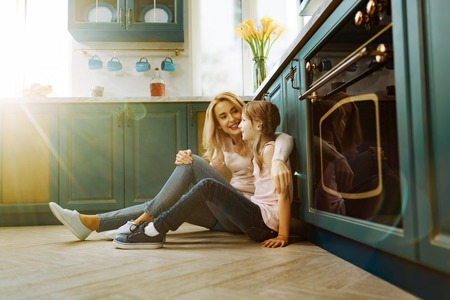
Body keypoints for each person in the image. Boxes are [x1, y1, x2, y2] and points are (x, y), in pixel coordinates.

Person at [49, 92, 298, 241]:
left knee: (192, 165)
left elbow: (284, 138)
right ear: (219, 125)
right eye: (223, 116)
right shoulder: (224, 147)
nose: (232, 118)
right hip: (225, 213)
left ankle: (137, 223)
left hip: (245, 215)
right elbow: (211, 179)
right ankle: (91, 223)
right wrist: (185, 162)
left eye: (235, 111)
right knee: (175, 192)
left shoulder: (261, 140)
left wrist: (278, 160)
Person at [113, 100, 292, 249]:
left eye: (244, 120)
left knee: (208, 186)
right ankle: (143, 227)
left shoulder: (269, 150)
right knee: (189, 194)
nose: (240, 124)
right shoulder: (263, 149)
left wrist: (283, 234)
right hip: (259, 216)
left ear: (259, 125)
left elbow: (283, 194)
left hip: (264, 223)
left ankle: (155, 230)